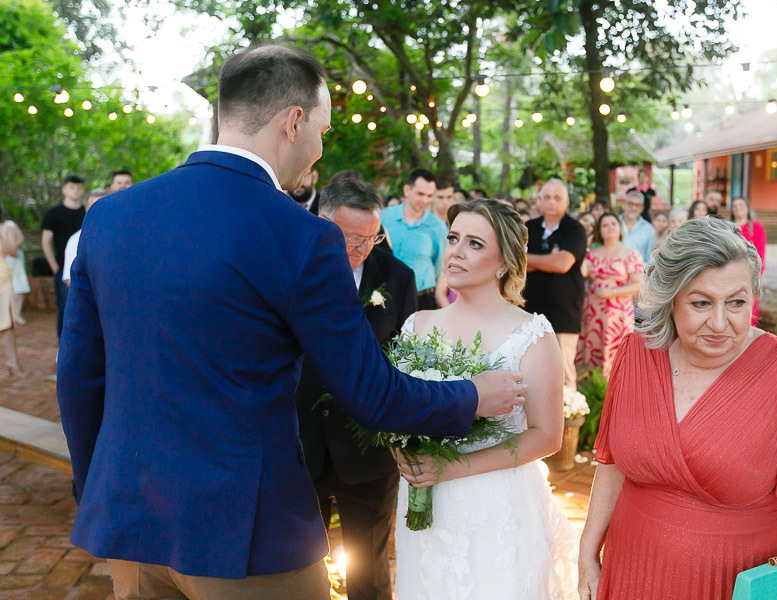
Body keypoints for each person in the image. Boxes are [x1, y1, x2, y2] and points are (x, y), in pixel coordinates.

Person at [58, 45, 528, 600]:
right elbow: (371, 394)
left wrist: (99, 493)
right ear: (294, 121)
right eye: (323, 131)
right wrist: (472, 396)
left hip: (129, 520)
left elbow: (79, 380)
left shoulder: (110, 217)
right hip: (244, 535)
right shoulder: (302, 237)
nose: (319, 150)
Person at [578, 218, 777, 600]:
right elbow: (613, 462)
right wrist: (588, 549)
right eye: (701, 303)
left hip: (735, 579)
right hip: (633, 569)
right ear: (669, 298)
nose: (720, 323)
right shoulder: (636, 353)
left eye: (737, 302)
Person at [394, 199, 578, 600]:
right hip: (423, 499)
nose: (456, 250)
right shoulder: (418, 325)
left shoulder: (532, 335)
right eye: (454, 238)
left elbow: (548, 436)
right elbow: (396, 409)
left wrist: (454, 469)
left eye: (474, 243)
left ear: (503, 263)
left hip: (496, 505)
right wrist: (402, 452)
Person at [296, 179, 416, 600]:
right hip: (300, 443)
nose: (363, 248)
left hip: (369, 450)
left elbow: (407, 361)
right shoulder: (293, 266)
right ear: (322, 223)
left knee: (369, 571)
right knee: (299, 570)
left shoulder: (398, 278)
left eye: (372, 237)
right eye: (351, 238)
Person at [524, 179, 586, 389]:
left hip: (564, 314)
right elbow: (515, 263)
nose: (551, 201)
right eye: (547, 197)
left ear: (566, 201)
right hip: (529, 311)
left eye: (557, 197)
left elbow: (561, 264)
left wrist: (531, 260)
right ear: (539, 201)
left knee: (563, 374)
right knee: (529, 371)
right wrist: (547, 258)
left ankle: (569, 420)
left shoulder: (575, 229)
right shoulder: (528, 228)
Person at [576, 214, 643, 377]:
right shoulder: (592, 253)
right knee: (594, 346)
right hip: (593, 310)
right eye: (605, 225)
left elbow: (637, 285)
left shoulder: (630, 254)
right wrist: (585, 244)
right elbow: (581, 272)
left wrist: (611, 293)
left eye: (613, 223)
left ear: (619, 228)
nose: (610, 227)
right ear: (599, 230)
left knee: (617, 350)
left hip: (618, 311)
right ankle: (593, 387)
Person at [381, 169, 447, 309]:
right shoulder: (384, 217)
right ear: (407, 190)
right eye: (420, 194)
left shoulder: (437, 227)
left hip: (421, 298)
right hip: (385, 296)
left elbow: (440, 265)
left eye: (430, 196)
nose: (425, 200)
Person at [41, 174, 85, 339]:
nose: (76, 190)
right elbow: (45, 241)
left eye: (79, 187)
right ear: (65, 189)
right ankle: (63, 346)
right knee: (64, 307)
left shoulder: (86, 211)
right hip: (62, 268)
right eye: (72, 187)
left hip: (85, 266)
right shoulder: (53, 213)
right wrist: (54, 266)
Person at [730, 196, 767, 327]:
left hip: (749, 276)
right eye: (734, 206)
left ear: (747, 208)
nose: (738, 209)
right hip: (729, 276)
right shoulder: (728, 227)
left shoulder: (756, 228)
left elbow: (761, 255)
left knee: (749, 310)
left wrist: (755, 277)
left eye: (741, 206)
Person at [61, 188, 108, 286]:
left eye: (105, 206)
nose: (100, 211)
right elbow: (71, 280)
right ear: (86, 210)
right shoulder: (76, 240)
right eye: (94, 207)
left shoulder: (124, 235)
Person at [0, 220, 24, 377]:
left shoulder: (6, 228)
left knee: (7, 323)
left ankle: (14, 365)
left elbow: (13, 251)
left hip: (1, 277)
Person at [1, 207, 28, 325]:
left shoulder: (9, 225)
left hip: (14, 259)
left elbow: (20, 239)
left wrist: (10, 246)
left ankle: (16, 315)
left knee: (18, 287)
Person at [618, 191, 655, 264]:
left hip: (639, 272)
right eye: (630, 203)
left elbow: (649, 258)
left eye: (637, 205)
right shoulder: (614, 224)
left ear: (642, 208)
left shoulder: (648, 229)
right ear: (624, 205)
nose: (633, 207)